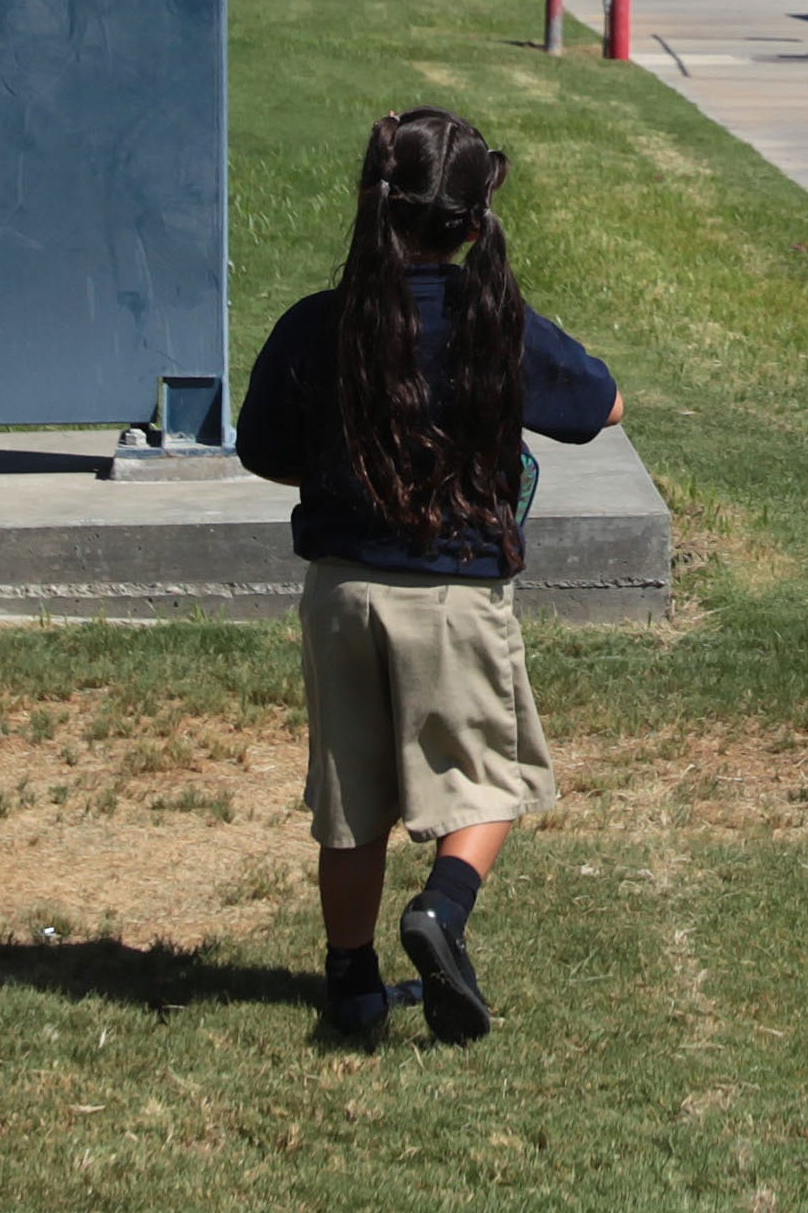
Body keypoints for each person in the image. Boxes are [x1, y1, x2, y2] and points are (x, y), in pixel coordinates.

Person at [240, 107, 628, 1044]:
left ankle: (352, 989)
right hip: (453, 591)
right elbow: (603, 404)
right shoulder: (494, 323)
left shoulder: (317, 324)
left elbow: (262, 448)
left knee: (350, 802)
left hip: (339, 587)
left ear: (373, 204)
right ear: (474, 215)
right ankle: (441, 912)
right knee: (490, 778)